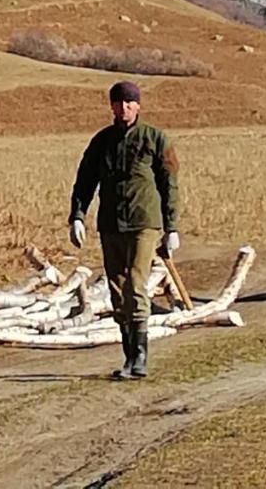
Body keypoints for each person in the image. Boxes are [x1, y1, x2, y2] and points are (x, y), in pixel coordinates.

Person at [68, 80, 180, 381]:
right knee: (117, 289)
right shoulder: (102, 141)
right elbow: (85, 180)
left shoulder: (154, 138)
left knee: (135, 283)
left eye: (129, 102)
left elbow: (169, 184)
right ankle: (129, 355)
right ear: (112, 106)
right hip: (110, 223)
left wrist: (172, 227)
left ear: (138, 105)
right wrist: (77, 216)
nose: (124, 108)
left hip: (145, 222)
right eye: (118, 103)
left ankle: (141, 357)